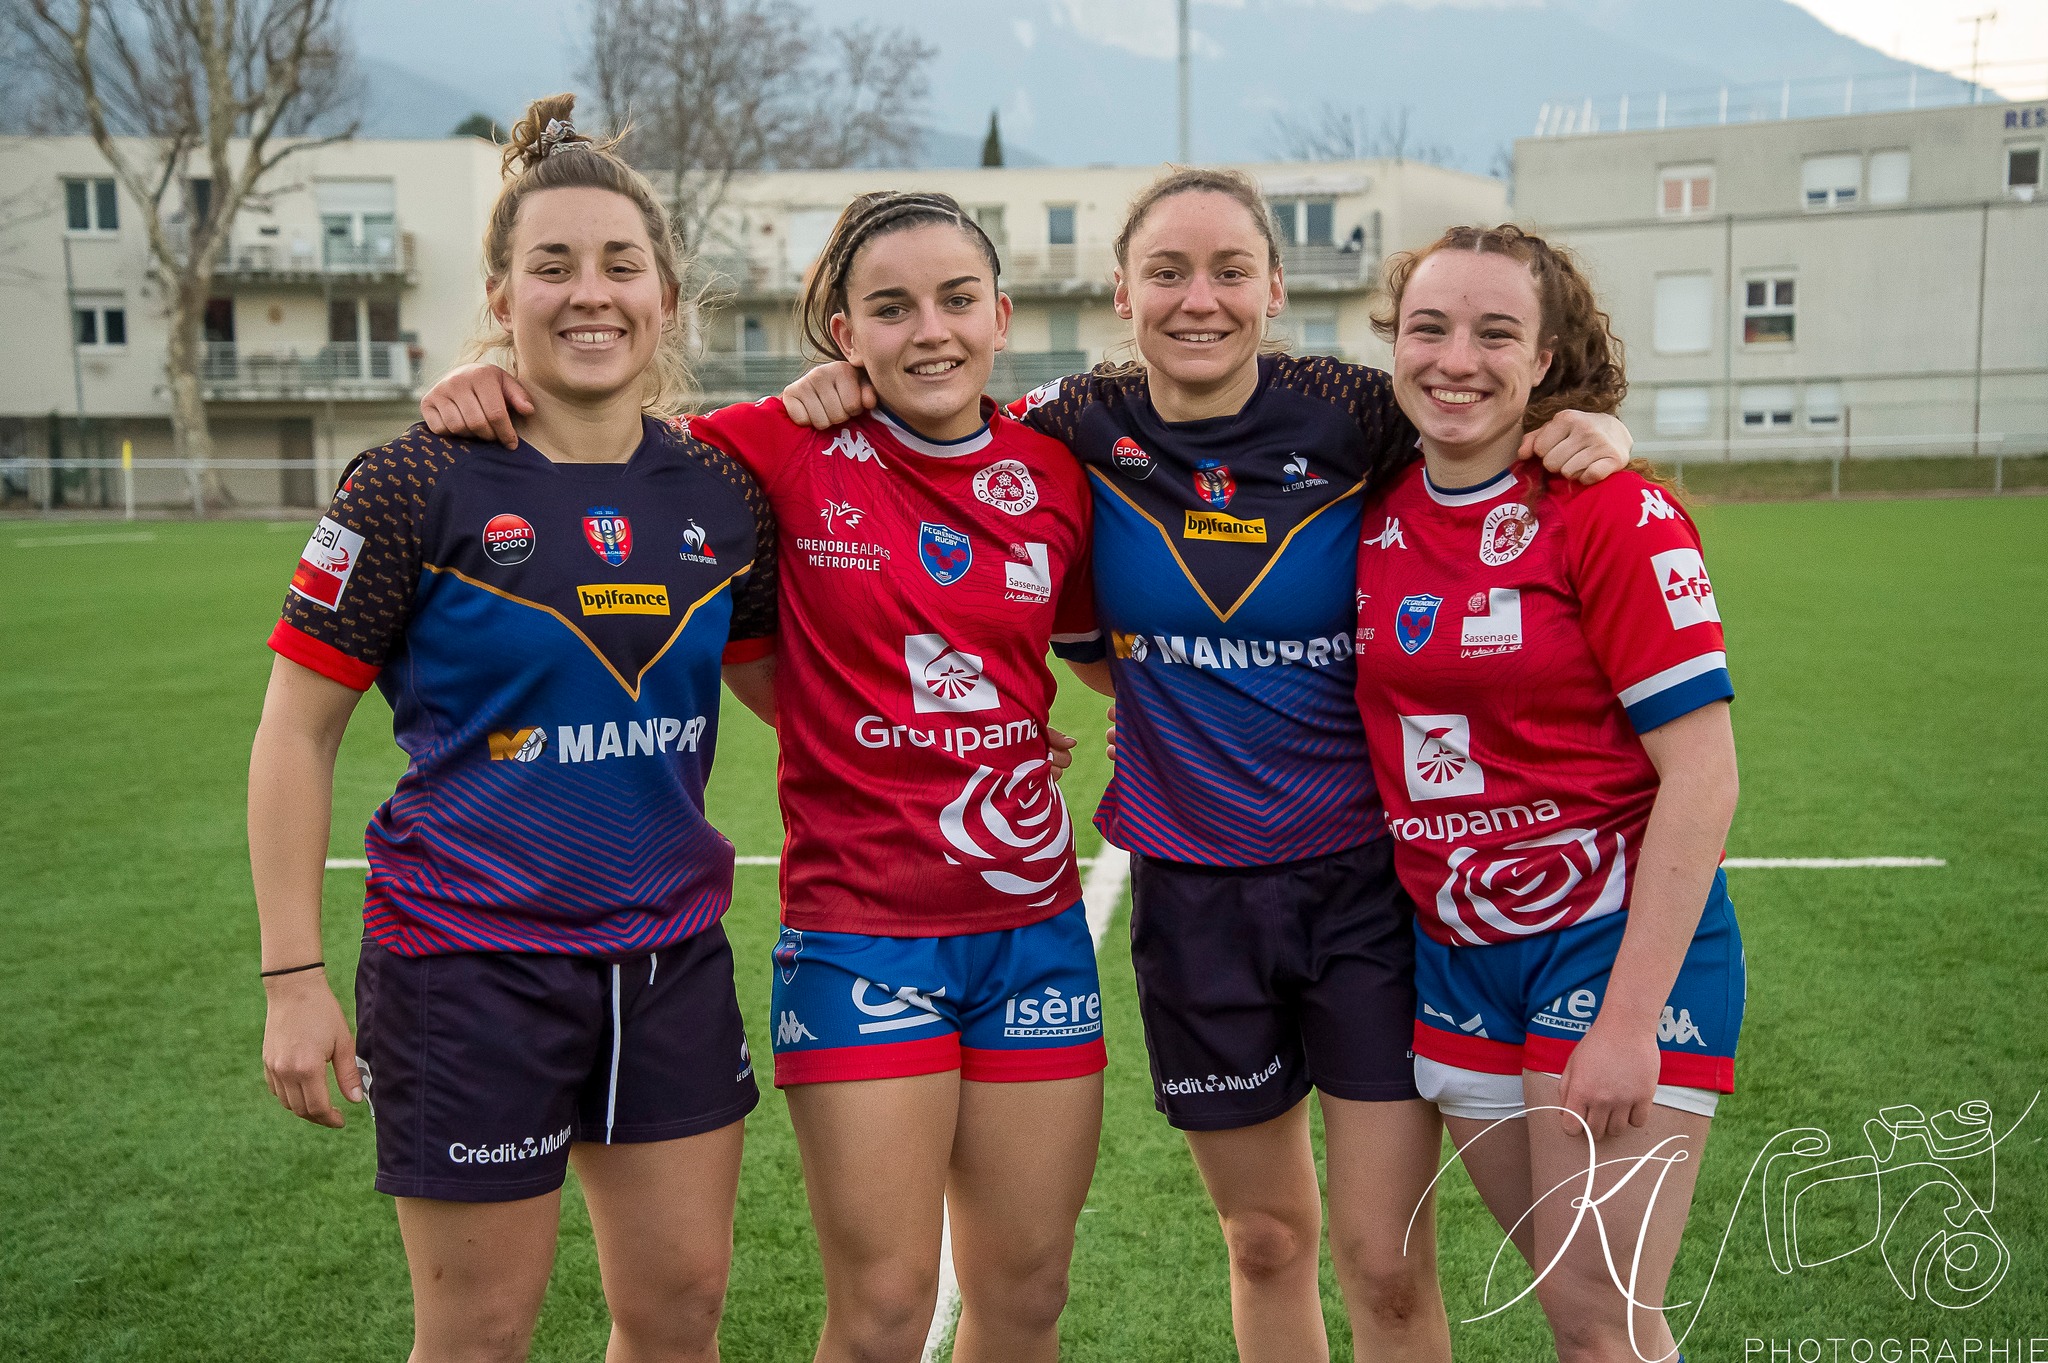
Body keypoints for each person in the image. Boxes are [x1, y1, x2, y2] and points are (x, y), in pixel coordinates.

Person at [770, 170, 1637, 1363]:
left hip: (1365, 894)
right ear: (1118, 292)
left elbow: (1486, 417)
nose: (1199, 300)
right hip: (1191, 896)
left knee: (1385, 1262)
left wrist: (1605, 429)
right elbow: (939, 408)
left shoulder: (1352, 412)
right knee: (1266, 1237)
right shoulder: (1069, 423)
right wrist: (839, 387)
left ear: (1274, 288)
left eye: (1230, 270)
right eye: (1166, 273)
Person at [422, 190, 1107, 1363]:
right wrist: (482, 381)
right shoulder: (766, 447)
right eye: (888, 308)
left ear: (1000, 316)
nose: (926, 331)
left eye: (953, 301)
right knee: (886, 1314)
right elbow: (596, 426)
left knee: (1027, 1296)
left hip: (1034, 931)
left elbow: (1107, 660)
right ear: (842, 331)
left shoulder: (1055, 472)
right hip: (859, 935)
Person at [250, 96, 777, 1363]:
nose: (587, 294)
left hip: (671, 964)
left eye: (617, 265)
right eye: (551, 267)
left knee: (676, 1320)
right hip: (465, 971)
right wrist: (290, 978)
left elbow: (790, 694)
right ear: (501, 292)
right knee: (479, 1335)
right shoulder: (409, 483)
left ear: (664, 297)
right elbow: (293, 734)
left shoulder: (719, 490)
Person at [1353, 223, 1741, 1363]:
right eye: (1426, 327)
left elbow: (1703, 776)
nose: (1453, 358)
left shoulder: (1612, 512)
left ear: (1546, 354)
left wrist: (1627, 1022)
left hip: (1606, 947)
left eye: (1493, 332)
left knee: (1597, 1323)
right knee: (1590, 1314)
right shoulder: (1367, 511)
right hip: (1459, 954)